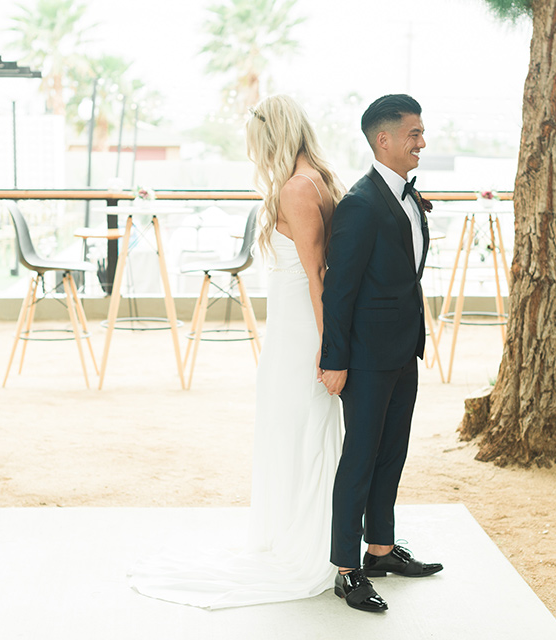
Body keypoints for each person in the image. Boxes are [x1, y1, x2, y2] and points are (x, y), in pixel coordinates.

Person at [128, 94, 346, 608]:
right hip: (298, 332)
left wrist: (329, 348)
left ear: (274, 139)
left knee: (295, 435)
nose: (256, 158)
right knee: (302, 437)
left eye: (257, 147)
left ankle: (301, 544)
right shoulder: (322, 180)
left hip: (300, 338)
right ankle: (314, 537)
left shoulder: (296, 188)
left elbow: (317, 276)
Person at [319, 94, 443, 613]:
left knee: (392, 455)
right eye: (413, 133)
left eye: (421, 132)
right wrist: (334, 359)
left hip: (401, 351)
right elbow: (339, 288)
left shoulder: (404, 197)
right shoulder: (360, 204)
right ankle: (347, 570)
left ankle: (382, 550)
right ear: (383, 140)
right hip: (365, 359)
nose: (421, 141)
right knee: (359, 461)